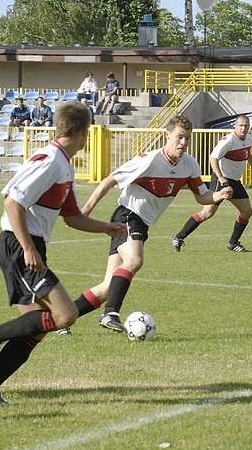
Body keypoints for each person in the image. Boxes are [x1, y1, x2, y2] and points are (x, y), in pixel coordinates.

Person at [0, 101, 125, 407]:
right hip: (19, 246)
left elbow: (72, 217)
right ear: (82, 131)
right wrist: (27, 247)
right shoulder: (51, 159)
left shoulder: (62, 164)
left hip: (29, 246)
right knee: (64, 315)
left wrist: (107, 227)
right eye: (89, 130)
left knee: (39, 327)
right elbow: (12, 201)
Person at [74, 115, 233, 333]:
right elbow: (109, 180)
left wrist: (219, 195)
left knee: (107, 287)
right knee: (135, 260)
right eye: (179, 137)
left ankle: (61, 318)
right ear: (167, 135)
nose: (183, 143)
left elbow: (202, 197)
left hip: (142, 223)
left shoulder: (190, 164)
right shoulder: (148, 160)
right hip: (128, 216)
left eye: (187, 139)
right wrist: (85, 211)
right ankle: (110, 313)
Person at [172, 114, 252, 253]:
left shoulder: (249, 139)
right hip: (222, 180)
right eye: (240, 125)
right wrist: (221, 178)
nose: (243, 128)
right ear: (235, 126)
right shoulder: (228, 141)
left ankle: (233, 243)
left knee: (247, 212)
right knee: (207, 212)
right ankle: (179, 237)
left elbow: (247, 154)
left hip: (234, 181)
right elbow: (213, 158)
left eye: (246, 125)